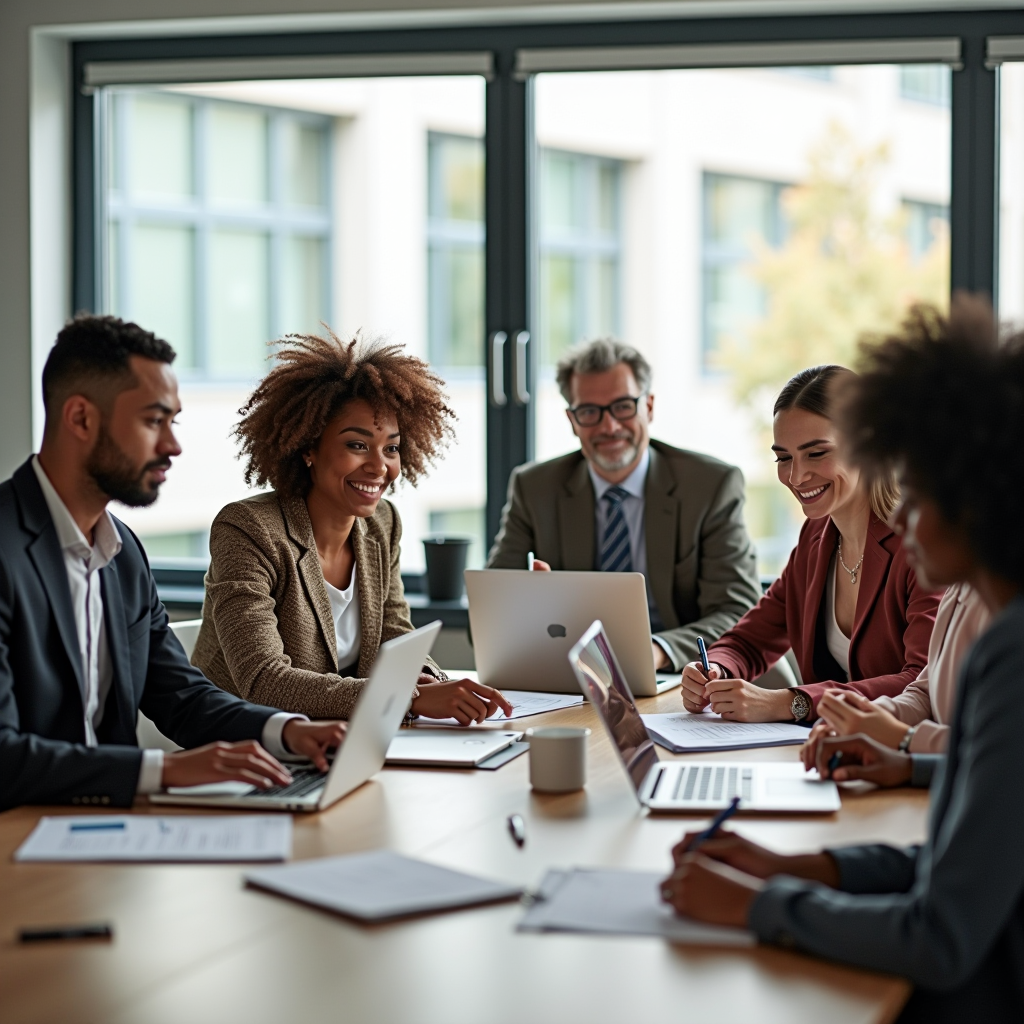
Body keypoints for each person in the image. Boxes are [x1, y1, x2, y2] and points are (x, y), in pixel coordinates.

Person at [660, 296, 1024, 1022]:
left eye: (918, 496)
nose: (904, 516)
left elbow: (941, 932)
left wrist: (763, 903)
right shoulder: (984, 614)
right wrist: (794, 864)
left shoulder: (1011, 650)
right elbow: (973, 847)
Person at [0, 315, 345, 812]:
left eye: (172, 421)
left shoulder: (122, 553)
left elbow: (182, 699)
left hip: (106, 832)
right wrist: (166, 770)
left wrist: (289, 731)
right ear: (80, 419)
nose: (172, 445)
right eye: (152, 420)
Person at [192, 330, 512, 725]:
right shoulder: (248, 529)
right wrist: (406, 699)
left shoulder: (382, 523)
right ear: (308, 448)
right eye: (357, 445)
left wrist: (426, 680)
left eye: (391, 448)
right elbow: (264, 681)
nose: (380, 467)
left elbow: (395, 636)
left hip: (344, 738)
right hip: (248, 746)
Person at [679, 364, 939, 724]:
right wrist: (716, 670)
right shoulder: (816, 536)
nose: (796, 476)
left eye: (816, 453)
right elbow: (751, 639)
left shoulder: (923, 546)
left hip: (898, 758)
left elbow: (922, 681)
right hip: (827, 752)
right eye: (784, 458)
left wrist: (790, 702)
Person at [486, 338, 761, 671]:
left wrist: (656, 652)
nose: (609, 426)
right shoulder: (535, 488)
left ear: (649, 407)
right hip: (575, 675)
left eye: (623, 406)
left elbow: (738, 612)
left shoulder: (709, 486)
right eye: (589, 411)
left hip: (678, 674)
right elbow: (489, 619)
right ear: (572, 420)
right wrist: (532, 603)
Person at [799, 582, 989, 786]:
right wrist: (865, 719)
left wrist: (904, 737)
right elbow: (924, 692)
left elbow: (996, 750)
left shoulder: (1006, 612)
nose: (907, 548)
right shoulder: (958, 589)